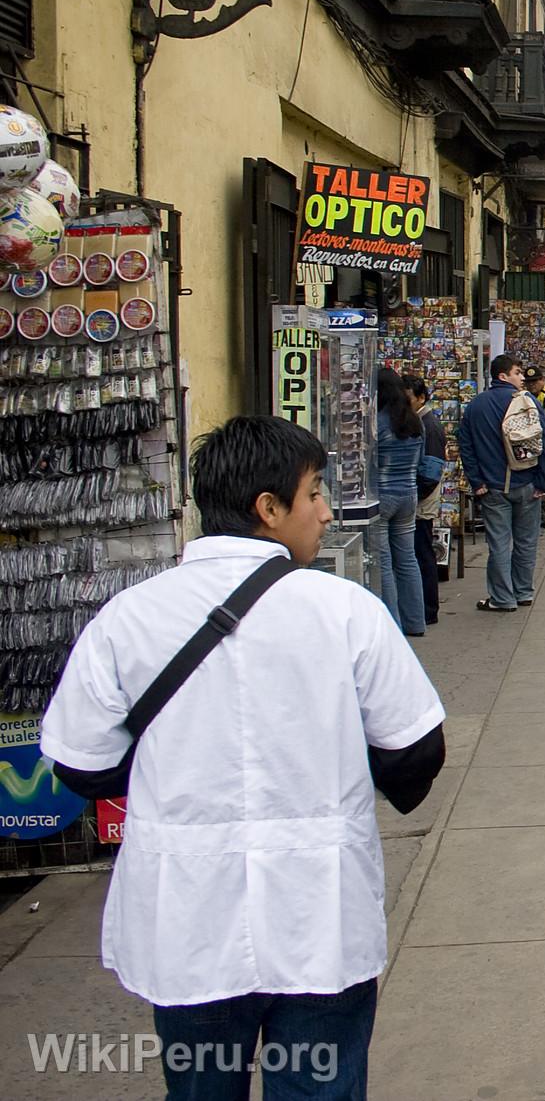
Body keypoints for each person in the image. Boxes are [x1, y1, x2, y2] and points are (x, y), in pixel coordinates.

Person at [40, 417, 445, 1100]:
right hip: (320, 919)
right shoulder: (345, 611)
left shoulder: (128, 618)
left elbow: (80, 763)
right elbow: (414, 752)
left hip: (188, 925)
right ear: (268, 508)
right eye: (313, 493)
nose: (323, 511)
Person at [458, 354, 545, 612]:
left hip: (492, 486)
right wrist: (543, 483)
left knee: (499, 543)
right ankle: (523, 590)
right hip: (527, 483)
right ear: (503, 376)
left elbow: (466, 447)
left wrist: (476, 481)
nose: (522, 377)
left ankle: (502, 597)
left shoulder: (476, 406)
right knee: (526, 541)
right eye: (516, 372)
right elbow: (544, 444)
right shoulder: (528, 403)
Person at [368, 366, 427, 637]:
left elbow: (368, 462)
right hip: (409, 494)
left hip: (382, 495)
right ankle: (416, 621)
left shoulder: (376, 423)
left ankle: (393, 624)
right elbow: (422, 461)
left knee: (384, 562)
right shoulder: (415, 422)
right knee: (407, 558)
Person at [404, 375, 447, 626]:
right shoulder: (419, 422)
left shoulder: (428, 425)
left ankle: (428, 608)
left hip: (422, 500)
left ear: (421, 398)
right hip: (419, 497)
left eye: (408, 399)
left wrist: (416, 495)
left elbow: (431, 471)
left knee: (422, 553)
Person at [524, 370, 545, 529]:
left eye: (535, 381)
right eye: (529, 382)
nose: (532, 385)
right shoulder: (527, 396)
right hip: (534, 445)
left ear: (542, 380)